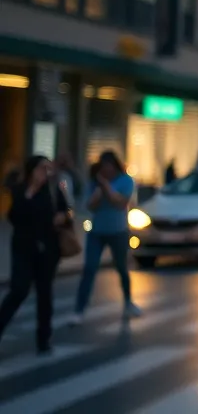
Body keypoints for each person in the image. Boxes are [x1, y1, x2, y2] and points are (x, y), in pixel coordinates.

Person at [0, 155, 71, 354]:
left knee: (44, 294)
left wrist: (62, 217)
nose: (45, 173)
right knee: (18, 290)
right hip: (23, 247)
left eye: (47, 169)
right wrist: (31, 192)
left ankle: (44, 339)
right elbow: (14, 217)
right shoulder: (21, 189)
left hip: (48, 249)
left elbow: (66, 211)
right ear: (31, 170)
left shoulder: (53, 189)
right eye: (41, 168)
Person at [70, 150, 140, 324]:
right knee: (89, 269)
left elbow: (119, 203)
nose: (106, 171)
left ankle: (128, 302)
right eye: (103, 167)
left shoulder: (125, 181)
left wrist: (106, 187)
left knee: (122, 268)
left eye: (109, 167)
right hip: (97, 232)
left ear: (115, 166)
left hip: (118, 232)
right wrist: (99, 189)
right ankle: (79, 309)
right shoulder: (95, 183)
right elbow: (90, 205)